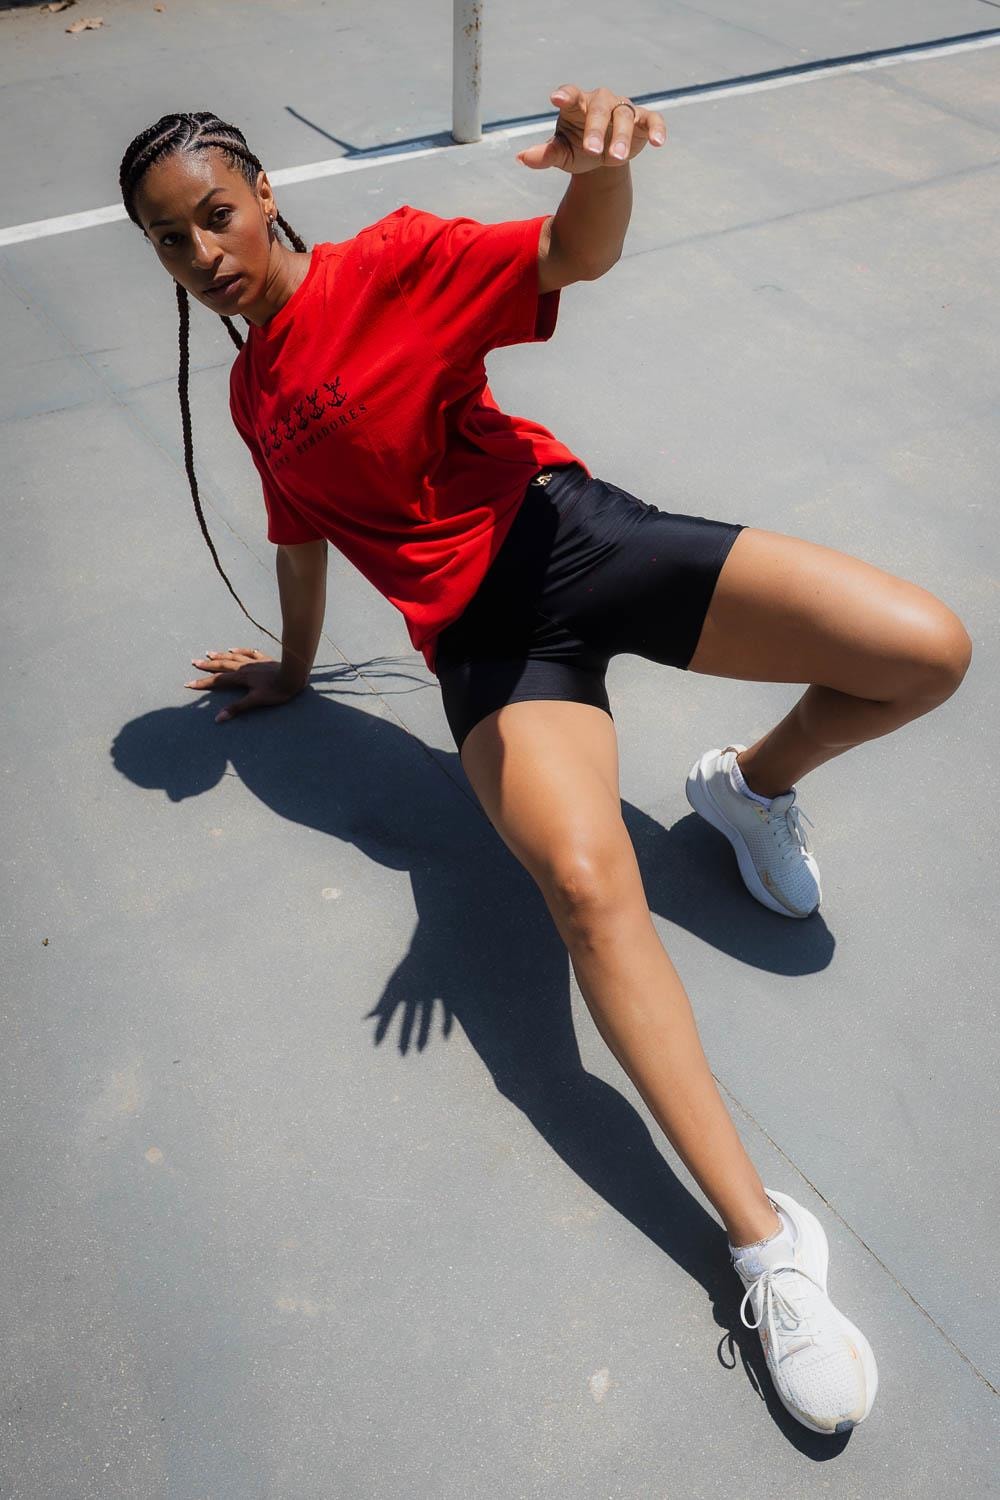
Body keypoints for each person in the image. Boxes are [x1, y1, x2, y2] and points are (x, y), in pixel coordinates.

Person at [118, 85, 972, 1437]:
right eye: (169, 240)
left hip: (571, 539)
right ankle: (766, 1250)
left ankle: (748, 789)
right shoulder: (247, 395)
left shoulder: (392, 263)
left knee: (925, 651)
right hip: (489, 653)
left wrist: (598, 165)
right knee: (583, 887)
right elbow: (301, 538)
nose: (202, 252)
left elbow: (574, 252)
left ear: (265, 193)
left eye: (214, 214)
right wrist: (292, 668)